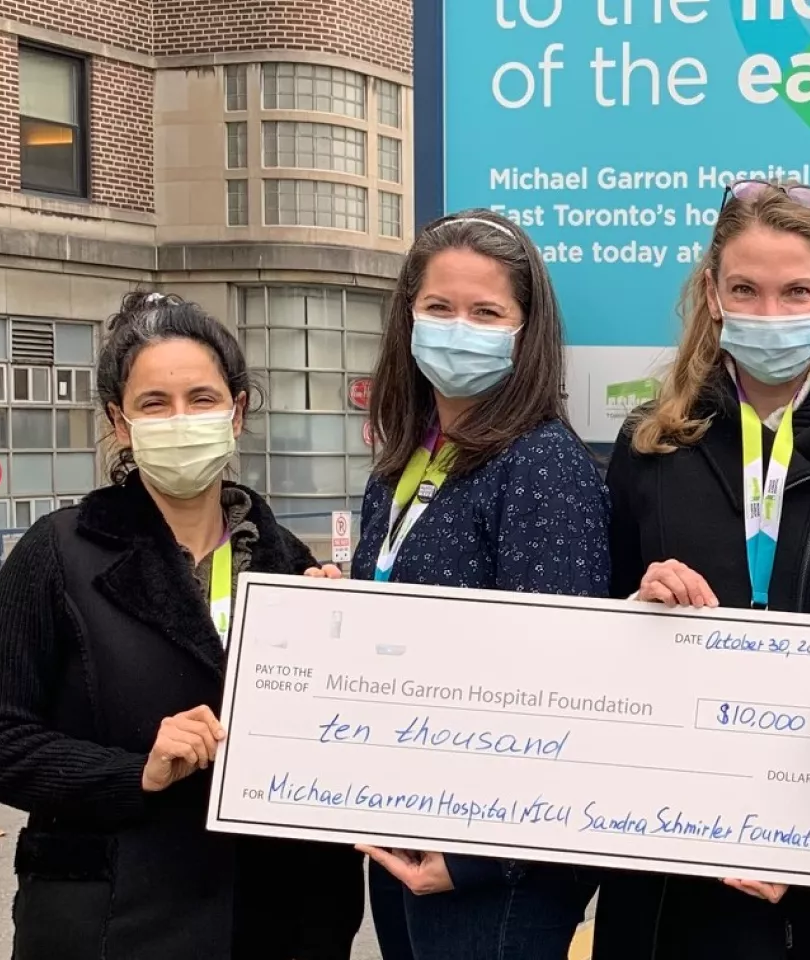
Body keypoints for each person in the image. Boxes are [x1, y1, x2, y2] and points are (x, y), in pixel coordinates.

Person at [0, 292, 364, 960]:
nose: (181, 419)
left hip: (281, 920)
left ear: (238, 411)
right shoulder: (58, 555)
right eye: (154, 404)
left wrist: (350, 645)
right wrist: (135, 771)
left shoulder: (296, 570)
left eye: (201, 399)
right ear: (120, 422)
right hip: (113, 922)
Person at [590, 178, 810, 960]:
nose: (770, 314)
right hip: (671, 847)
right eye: (746, 290)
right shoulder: (651, 443)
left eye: (795, 290)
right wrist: (641, 603)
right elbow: (598, 631)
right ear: (712, 292)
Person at [303, 209, 610, 960]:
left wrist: (484, 858)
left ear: (523, 329)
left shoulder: (541, 465)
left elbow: (561, 687)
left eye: (485, 312)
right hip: (404, 826)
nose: (457, 327)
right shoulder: (402, 463)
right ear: (407, 318)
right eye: (439, 308)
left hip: (493, 862)